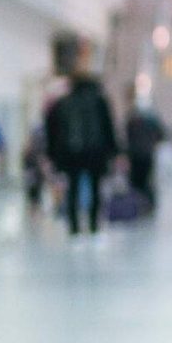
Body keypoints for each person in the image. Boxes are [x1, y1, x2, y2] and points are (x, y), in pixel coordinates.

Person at [45, 64, 121, 237]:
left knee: (72, 189)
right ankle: (94, 227)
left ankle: (74, 230)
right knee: (95, 189)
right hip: (96, 152)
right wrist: (115, 151)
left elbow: (53, 130)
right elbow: (109, 128)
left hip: (70, 153)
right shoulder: (100, 100)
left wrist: (52, 154)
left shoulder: (62, 102)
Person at [123, 98, 166, 215]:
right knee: (142, 181)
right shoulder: (144, 121)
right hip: (142, 154)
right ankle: (144, 204)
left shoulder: (134, 121)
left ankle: (144, 204)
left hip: (140, 154)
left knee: (142, 181)